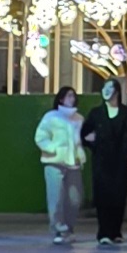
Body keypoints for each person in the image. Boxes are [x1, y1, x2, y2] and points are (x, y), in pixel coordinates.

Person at [83, 83, 127, 247]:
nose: (106, 92)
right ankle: (103, 232)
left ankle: (116, 231)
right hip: (101, 162)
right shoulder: (96, 113)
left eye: (109, 89)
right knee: (102, 197)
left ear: (117, 92)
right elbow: (84, 134)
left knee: (119, 197)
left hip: (121, 162)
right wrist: (92, 142)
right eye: (104, 89)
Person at [33, 88, 83, 243]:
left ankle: (69, 228)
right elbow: (40, 137)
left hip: (74, 164)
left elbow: (82, 138)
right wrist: (53, 149)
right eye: (69, 95)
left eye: (73, 96)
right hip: (54, 163)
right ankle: (59, 230)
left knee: (74, 199)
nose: (72, 98)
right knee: (56, 199)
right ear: (61, 99)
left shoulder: (79, 119)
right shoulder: (51, 117)